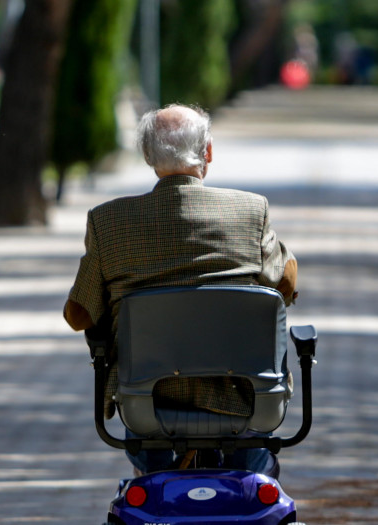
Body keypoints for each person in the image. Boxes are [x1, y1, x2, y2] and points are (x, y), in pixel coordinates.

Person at [63, 104, 298, 476]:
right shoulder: (250, 211)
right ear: (208, 152)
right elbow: (284, 285)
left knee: (148, 466)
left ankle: (156, 482)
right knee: (255, 459)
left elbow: (80, 315)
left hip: (150, 404)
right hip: (243, 396)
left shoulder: (108, 221)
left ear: (147, 156)